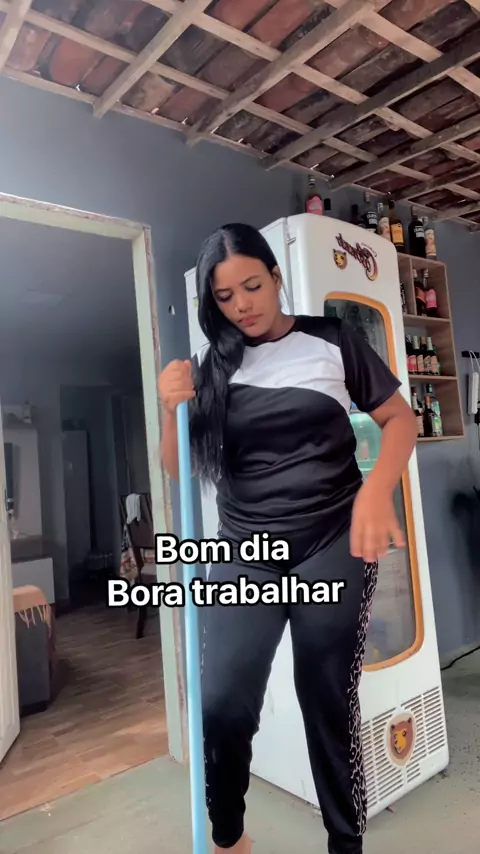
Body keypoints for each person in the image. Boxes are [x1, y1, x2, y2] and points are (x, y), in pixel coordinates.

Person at [158, 222, 417, 854]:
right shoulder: (210, 368)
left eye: (252, 286)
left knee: (327, 701)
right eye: (225, 296)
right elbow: (177, 467)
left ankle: (345, 846)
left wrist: (375, 491)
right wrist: (170, 410)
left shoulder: (332, 340)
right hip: (245, 550)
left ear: (276, 277)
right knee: (222, 702)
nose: (242, 306)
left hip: (332, 540)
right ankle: (229, 839)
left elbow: (399, 419)